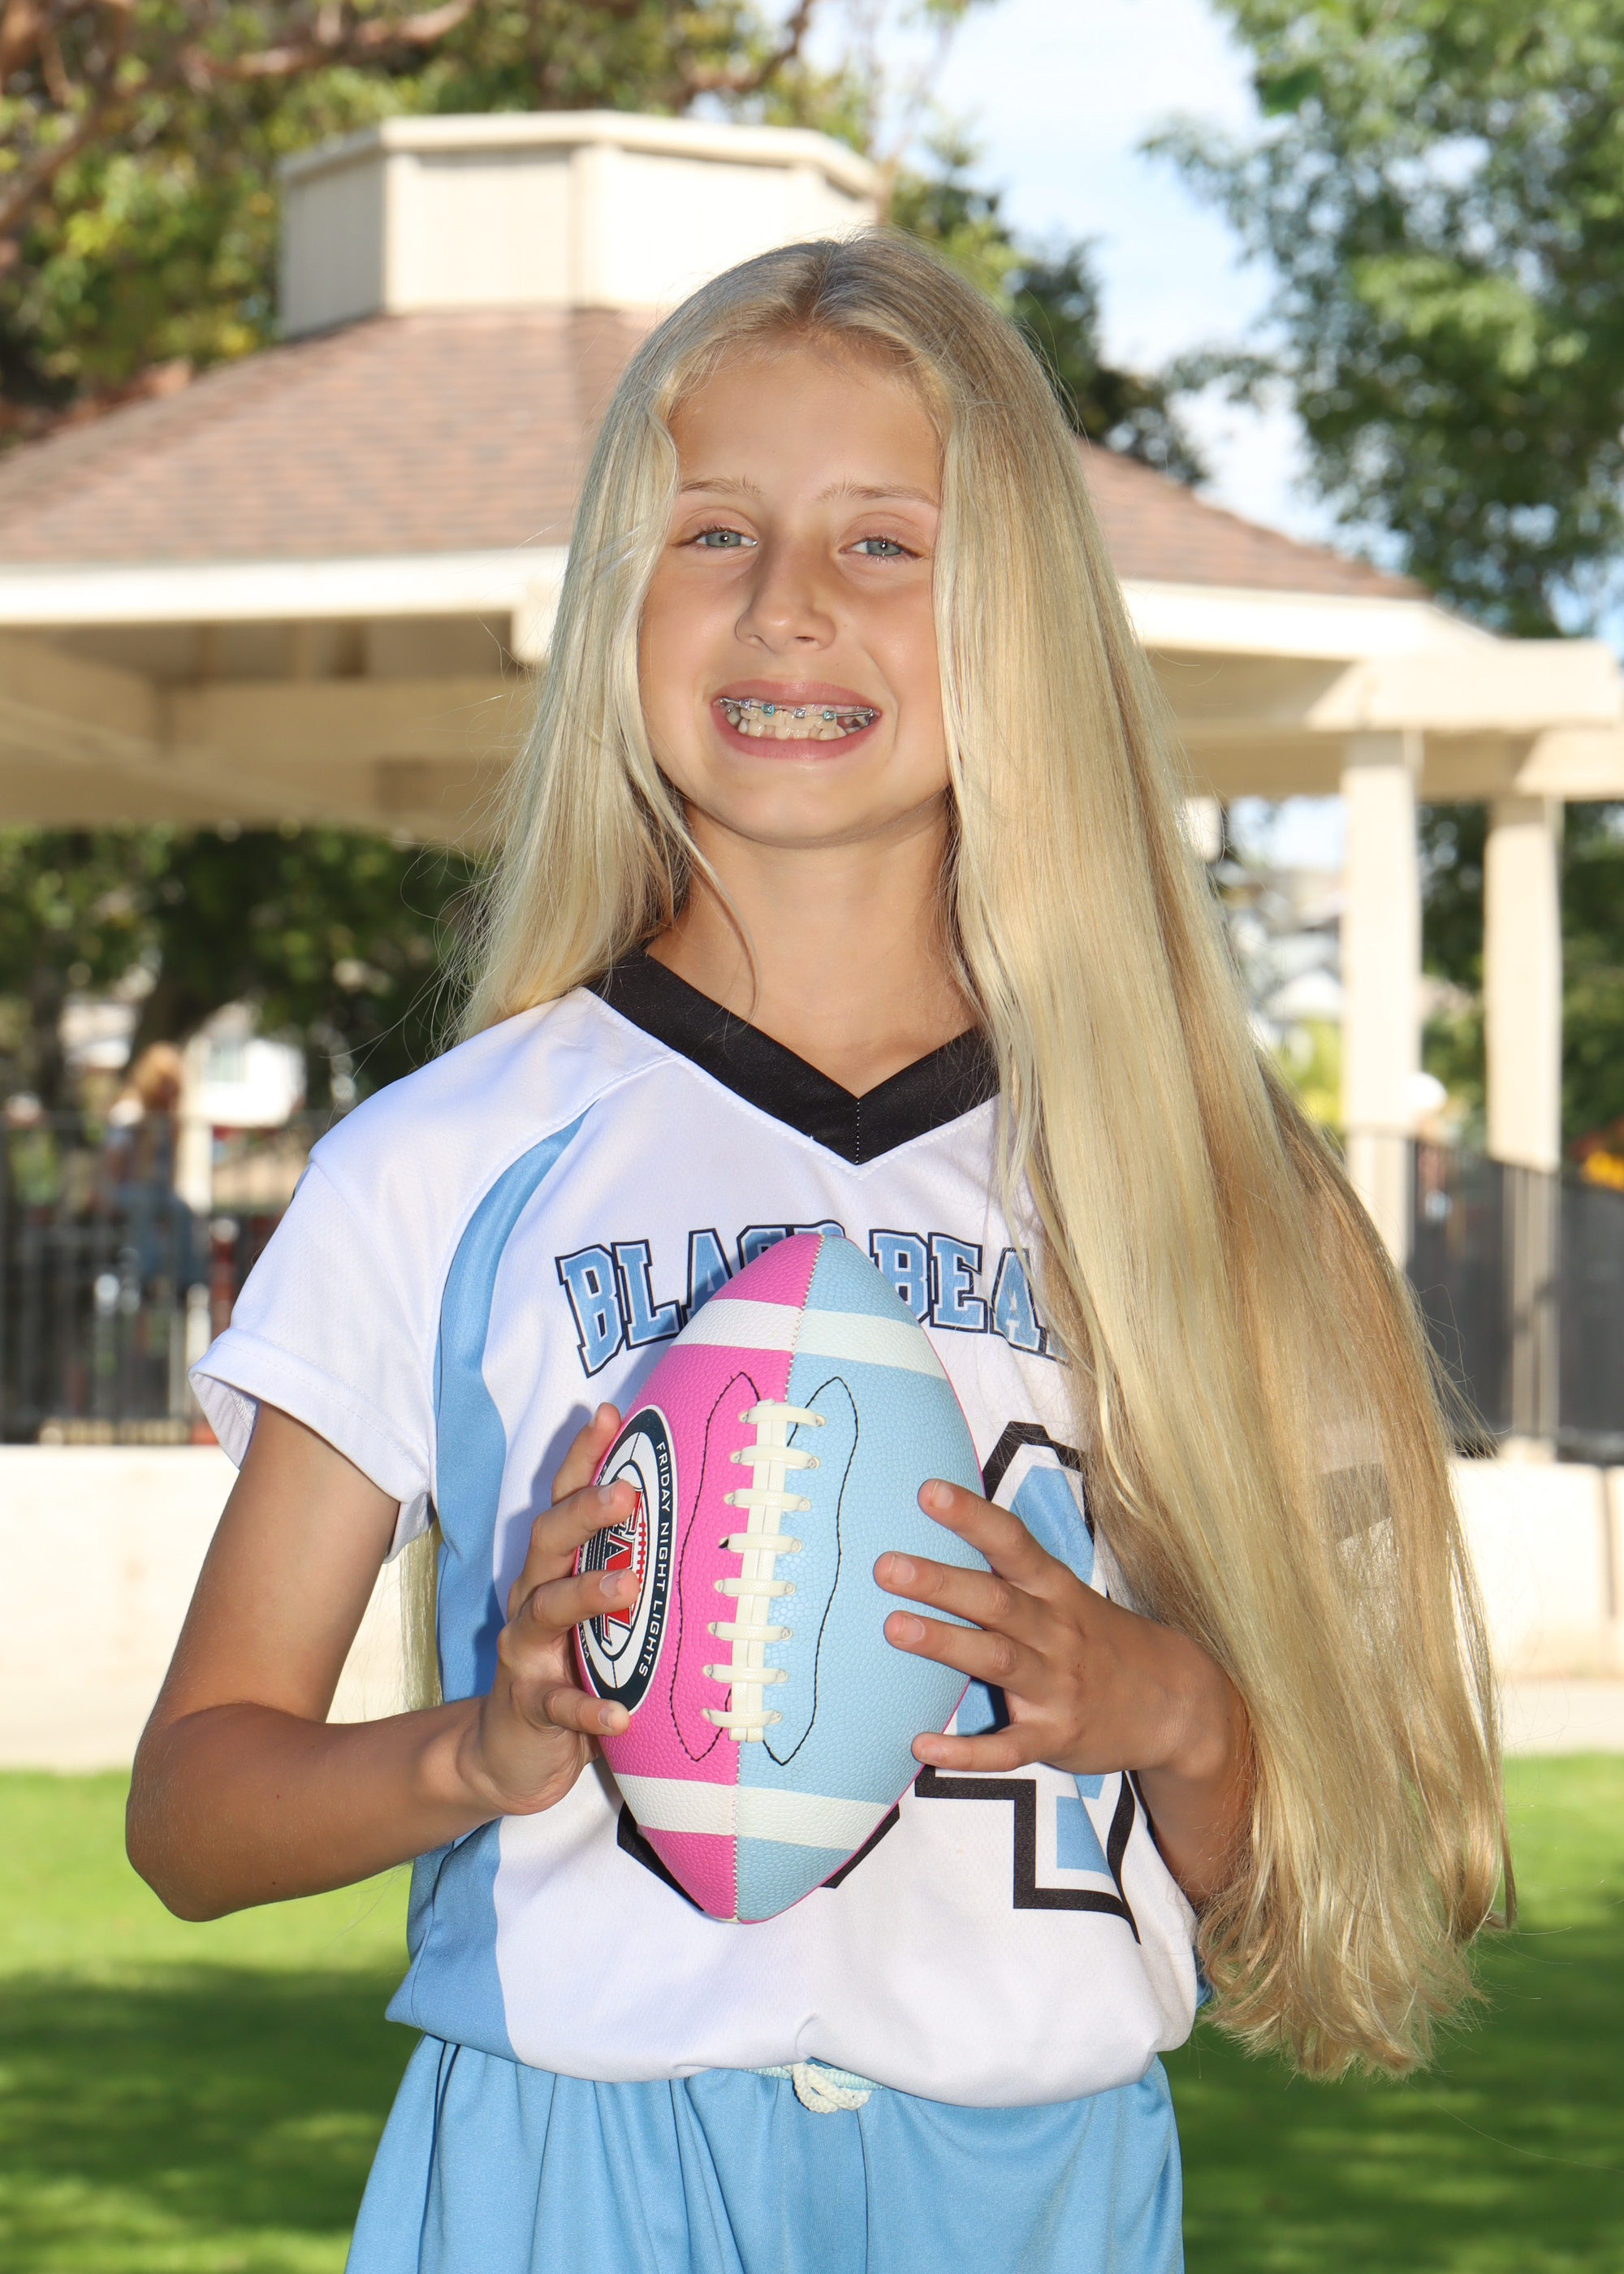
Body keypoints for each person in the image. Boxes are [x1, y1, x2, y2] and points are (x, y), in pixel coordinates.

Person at [127, 234, 1506, 2274]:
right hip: (572, 2167)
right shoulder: (447, 1158)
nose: (787, 602)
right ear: (618, 601)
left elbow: (1345, 1878)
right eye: (713, 531)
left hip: (1028, 2179)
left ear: (1017, 613)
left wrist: (1177, 1712)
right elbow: (193, 1811)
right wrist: (473, 1748)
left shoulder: (1201, 1183)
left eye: (882, 541)